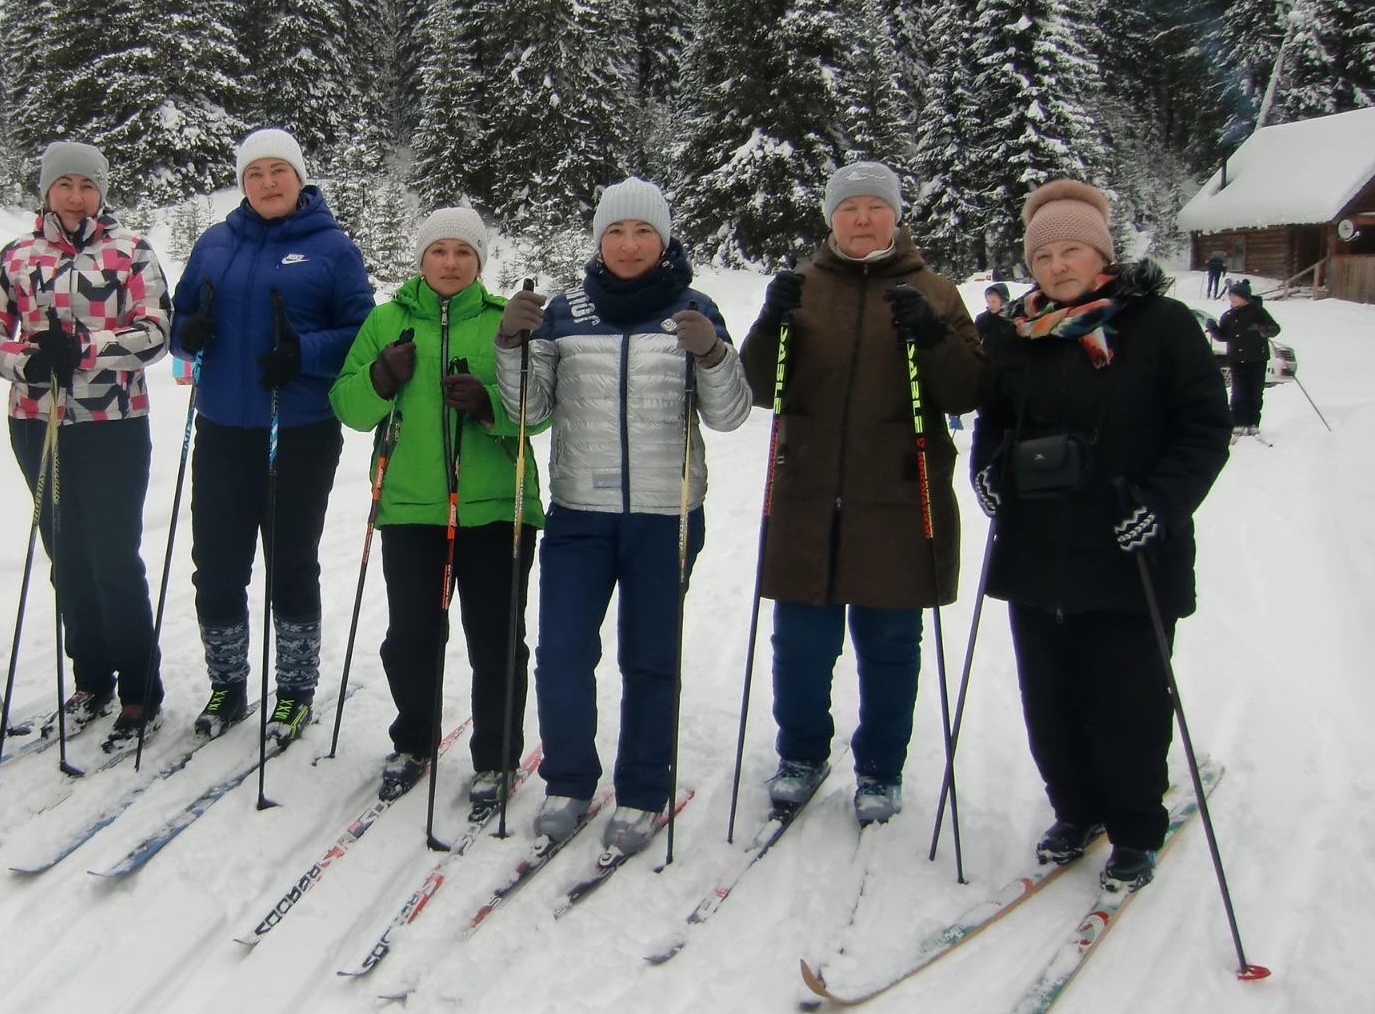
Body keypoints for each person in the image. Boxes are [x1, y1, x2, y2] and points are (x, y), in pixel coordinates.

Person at [972, 180, 1231, 889]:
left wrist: (1163, 503)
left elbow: (1205, 428)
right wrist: (989, 471)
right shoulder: (1018, 333)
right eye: (1044, 255)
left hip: (1128, 546)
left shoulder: (1160, 325)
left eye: (1072, 250)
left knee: (1128, 702)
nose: (1057, 266)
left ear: (1102, 254)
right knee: (1049, 700)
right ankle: (1076, 809)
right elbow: (996, 419)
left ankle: (1136, 829)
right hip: (1038, 548)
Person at [495, 179, 752, 854]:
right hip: (581, 511)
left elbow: (730, 416)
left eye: (643, 233)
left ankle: (642, 791)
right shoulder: (565, 312)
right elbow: (533, 409)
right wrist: (511, 345)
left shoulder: (695, 307)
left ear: (663, 240)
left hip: (665, 516)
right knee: (563, 655)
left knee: (650, 659)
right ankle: (569, 779)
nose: (629, 245)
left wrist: (714, 356)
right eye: (616, 233)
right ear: (598, 241)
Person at [739, 161, 989, 826]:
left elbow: (969, 391)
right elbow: (761, 388)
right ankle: (800, 754)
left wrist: (932, 337)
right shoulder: (802, 287)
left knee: (890, 645)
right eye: (849, 209)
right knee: (799, 644)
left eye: (875, 208)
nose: (862, 219)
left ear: (896, 216)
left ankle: (880, 768)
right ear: (831, 218)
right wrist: (769, 322)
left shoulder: (934, 290)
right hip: (807, 497)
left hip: (900, 501)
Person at [331, 207, 545, 805]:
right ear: (421, 259)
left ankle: (498, 758)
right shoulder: (388, 320)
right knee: (411, 637)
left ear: (480, 262)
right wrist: (380, 377)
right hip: (410, 506)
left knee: (496, 638)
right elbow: (347, 406)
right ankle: (414, 741)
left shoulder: (506, 323)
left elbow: (544, 411)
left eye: (464, 253)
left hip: (499, 507)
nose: (450, 263)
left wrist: (488, 408)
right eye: (438, 252)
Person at [169, 129, 374, 742]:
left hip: (301, 428)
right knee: (218, 565)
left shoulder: (332, 248)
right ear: (243, 182)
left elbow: (364, 332)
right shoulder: (214, 243)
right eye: (254, 172)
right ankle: (229, 686)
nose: (266, 182)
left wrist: (303, 352)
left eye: (278, 170)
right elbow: (178, 323)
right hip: (224, 428)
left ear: (299, 176)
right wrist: (190, 334)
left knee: (289, 562)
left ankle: (294, 691)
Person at [0, 142, 173, 749]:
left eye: (87, 185)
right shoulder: (18, 255)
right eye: (65, 185)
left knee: (113, 555)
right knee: (66, 554)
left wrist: (84, 350)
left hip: (113, 421)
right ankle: (91, 678)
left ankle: (140, 687)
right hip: (37, 419)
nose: (77, 196)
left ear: (101, 192)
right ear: (47, 192)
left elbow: (156, 330)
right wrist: (25, 360)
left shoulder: (130, 251)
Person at [1204, 280, 1280, 437]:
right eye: (1230, 295)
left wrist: (1267, 330)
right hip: (1237, 359)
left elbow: (1274, 328)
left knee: (1255, 391)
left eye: (1235, 295)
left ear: (1245, 297)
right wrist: (1213, 329)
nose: (1232, 298)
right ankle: (1238, 422)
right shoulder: (1228, 316)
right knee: (1238, 392)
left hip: (1257, 358)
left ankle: (1253, 422)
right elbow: (1223, 336)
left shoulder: (1258, 312)